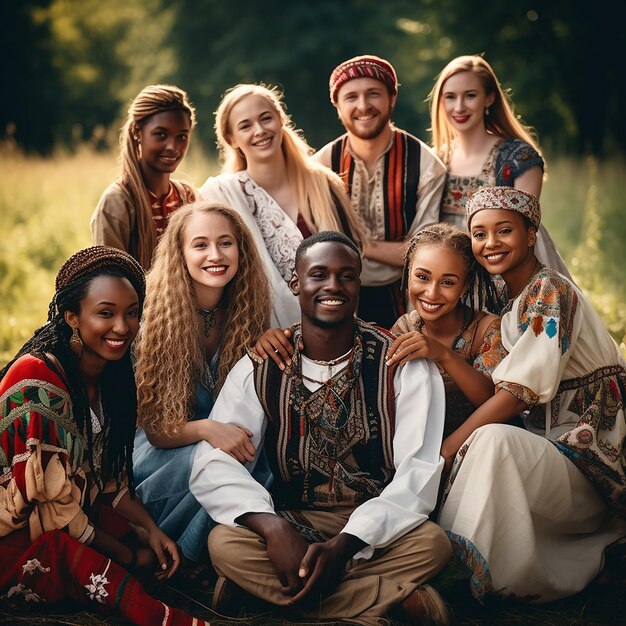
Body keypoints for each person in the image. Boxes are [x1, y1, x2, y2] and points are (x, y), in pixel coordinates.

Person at [189, 232, 452, 625]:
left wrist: (346, 545)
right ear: (296, 283)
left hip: (376, 521)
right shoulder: (263, 364)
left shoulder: (401, 362)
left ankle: (270, 597)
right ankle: (392, 603)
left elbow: (418, 472)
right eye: (318, 275)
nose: (333, 285)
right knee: (224, 543)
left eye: (346, 275)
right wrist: (274, 529)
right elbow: (212, 464)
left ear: (359, 283)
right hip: (297, 518)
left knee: (433, 545)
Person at [0, 246, 208, 625]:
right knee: (89, 561)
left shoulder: (110, 378)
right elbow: (55, 512)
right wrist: (129, 557)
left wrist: (151, 530)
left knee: (142, 537)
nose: (122, 327)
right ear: (72, 317)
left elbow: (110, 478)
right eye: (105, 313)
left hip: (67, 518)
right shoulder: (36, 379)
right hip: (18, 538)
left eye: (131, 313)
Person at [438, 187, 626, 602]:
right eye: (479, 234)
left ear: (530, 233)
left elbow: (518, 394)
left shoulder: (550, 291)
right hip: (555, 455)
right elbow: (488, 388)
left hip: (593, 470)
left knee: (488, 439)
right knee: (482, 439)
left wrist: (451, 445)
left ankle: (455, 568)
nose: (491, 243)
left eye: (504, 230)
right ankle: (452, 561)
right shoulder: (512, 303)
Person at [132, 201, 272, 566]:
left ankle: (231, 556)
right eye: (200, 245)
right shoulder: (158, 317)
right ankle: (195, 560)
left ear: (241, 249)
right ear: (180, 253)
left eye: (226, 243)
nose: (215, 255)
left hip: (228, 440)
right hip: (165, 451)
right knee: (213, 462)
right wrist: (211, 429)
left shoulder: (248, 308)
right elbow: (158, 430)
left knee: (260, 461)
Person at [199, 83, 364, 327]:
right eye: (245, 126)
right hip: (260, 335)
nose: (259, 131)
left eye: (266, 119)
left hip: (333, 329)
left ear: (280, 120)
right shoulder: (223, 197)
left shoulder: (323, 184)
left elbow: (353, 261)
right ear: (232, 139)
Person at [314, 54, 447, 328]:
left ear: (392, 98)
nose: (363, 105)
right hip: (337, 297)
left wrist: (361, 245)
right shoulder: (320, 167)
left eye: (373, 94)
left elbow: (423, 253)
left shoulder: (426, 165)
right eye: (351, 97)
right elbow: (319, 248)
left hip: (407, 298)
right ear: (336, 106)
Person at [429, 54, 570, 278]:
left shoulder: (518, 158)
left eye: (470, 96)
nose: (459, 106)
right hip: (448, 275)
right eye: (450, 97)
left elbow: (519, 234)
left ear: (489, 98)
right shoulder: (434, 160)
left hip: (508, 271)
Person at [386, 223, 506, 440]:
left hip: (475, 447)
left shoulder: (487, 330)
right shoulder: (404, 327)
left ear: (466, 286)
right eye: (422, 277)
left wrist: (442, 354)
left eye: (448, 282)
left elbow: (494, 401)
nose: (432, 293)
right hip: (415, 446)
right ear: (408, 272)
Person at [91, 84, 198, 269]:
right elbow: (111, 281)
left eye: (181, 136)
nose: (172, 146)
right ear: (137, 132)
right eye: (160, 134)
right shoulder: (118, 201)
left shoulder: (189, 197)